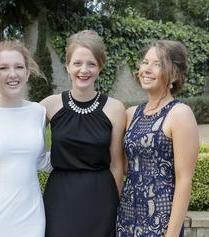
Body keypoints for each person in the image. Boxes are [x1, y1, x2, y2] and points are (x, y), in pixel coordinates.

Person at [40, 30, 126, 237]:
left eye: (91, 64)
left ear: (100, 67)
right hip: (59, 199)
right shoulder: (48, 105)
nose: (84, 70)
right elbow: (15, 133)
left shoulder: (115, 109)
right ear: (67, 66)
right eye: (77, 63)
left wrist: (117, 208)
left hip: (101, 198)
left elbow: (116, 165)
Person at [116, 40, 199, 237]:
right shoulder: (130, 114)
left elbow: (184, 180)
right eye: (145, 62)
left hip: (160, 221)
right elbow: (123, 167)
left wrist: (171, 234)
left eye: (158, 64)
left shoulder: (180, 114)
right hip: (127, 217)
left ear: (175, 74)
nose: (147, 69)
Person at [0, 40, 52, 237]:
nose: (12, 74)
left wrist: (82, 156)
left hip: (32, 214)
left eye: (18, 67)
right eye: (4, 68)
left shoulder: (38, 112)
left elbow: (41, 161)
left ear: (27, 72)